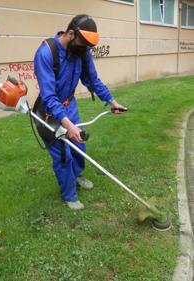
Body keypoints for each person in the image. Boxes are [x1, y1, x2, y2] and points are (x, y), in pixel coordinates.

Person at [34, 14, 127, 210]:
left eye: (88, 47)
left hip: (70, 104)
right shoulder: (46, 53)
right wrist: (67, 125)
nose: (85, 50)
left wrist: (111, 101)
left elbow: (92, 79)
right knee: (62, 154)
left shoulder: (81, 51)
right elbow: (50, 98)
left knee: (79, 145)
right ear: (70, 33)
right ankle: (69, 195)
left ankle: (77, 175)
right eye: (83, 45)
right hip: (48, 112)